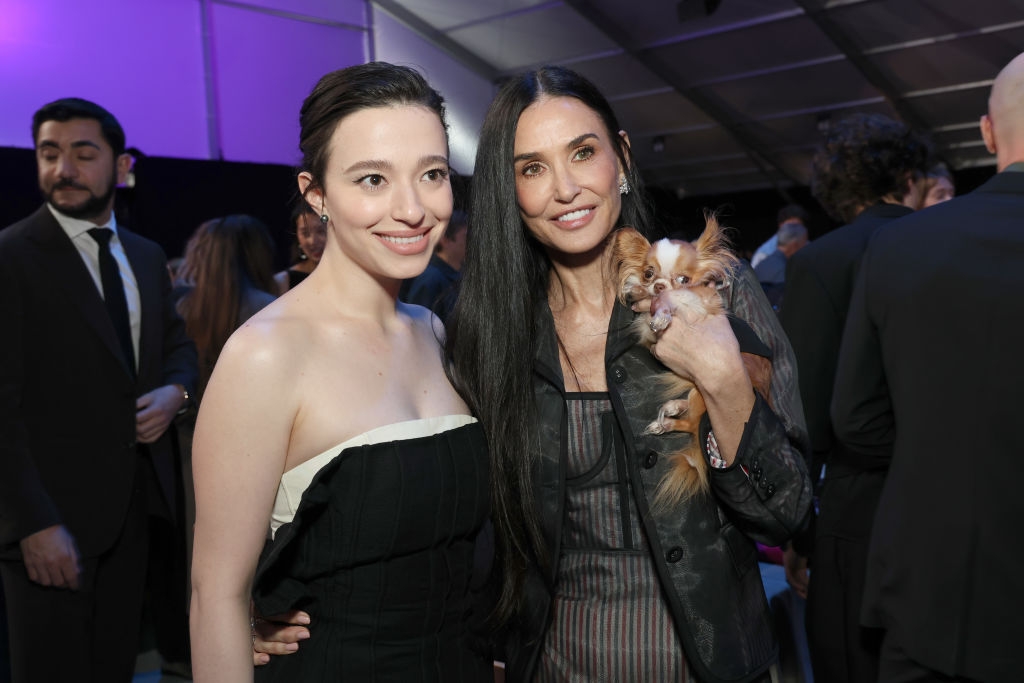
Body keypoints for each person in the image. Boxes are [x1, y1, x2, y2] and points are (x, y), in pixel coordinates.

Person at [255, 65, 813, 683]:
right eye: (532, 169)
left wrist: (724, 380)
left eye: (583, 153)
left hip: (715, 665)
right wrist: (273, 599)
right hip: (553, 665)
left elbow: (786, 513)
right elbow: (421, 503)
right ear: (510, 189)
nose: (565, 188)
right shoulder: (485, 331)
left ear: (622, 158)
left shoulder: (714, 293)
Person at [189, 62, 493, 682]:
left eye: (432, 174)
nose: (412, 209)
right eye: (373, 179)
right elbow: (215, 595)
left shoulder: (433, 331)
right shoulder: (265, 355)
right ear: (317, 193)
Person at [831, 51, 1024, 683]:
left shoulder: (900, 244)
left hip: (926, 598)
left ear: (987, 132)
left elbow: (856, 419)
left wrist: (936, 452)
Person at [0, 97, 198, 682]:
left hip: (135, 519)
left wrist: (176, 394)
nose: (63, 169)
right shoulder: (10, 256)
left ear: (122, 165)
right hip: (49, 526)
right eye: (49, 153)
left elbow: (179, 349)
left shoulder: (145, 255)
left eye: (83, 154)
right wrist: (32, 524)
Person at [778, 112, 931, 683]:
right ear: (909, 177)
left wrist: (800, 535)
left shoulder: (820, 261)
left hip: (856, 510)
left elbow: (804, 415)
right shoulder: (943, 246)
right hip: (945, 498)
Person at [399, 208, 469, 320]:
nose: (471, 242)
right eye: (465, 237)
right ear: (445, 239)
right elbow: (419, 322)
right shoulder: (431, 278)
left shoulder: (460, 274)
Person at [753, 219, 808, 311]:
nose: (807, 247)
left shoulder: (763, 263)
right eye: (804, 243)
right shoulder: (786, 270)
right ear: (795, 245)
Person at [273, 201, 326, 294]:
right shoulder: (283, 280)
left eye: (320, 231)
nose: (313, 241)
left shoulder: (348, 272)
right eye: (305, 233)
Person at [749, 203, 809, 268]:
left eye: (798, 227)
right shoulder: (763, 254)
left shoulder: (808, 246)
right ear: (780, 225)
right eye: (790, 226)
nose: (794, 231)